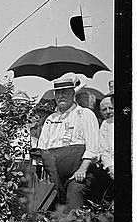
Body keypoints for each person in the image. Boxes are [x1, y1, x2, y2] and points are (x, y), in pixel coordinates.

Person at [37, 74, 101, 212]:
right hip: (54, 173)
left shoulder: (85, 114)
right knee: (47, 205)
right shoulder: (50, 119)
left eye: (64, 92)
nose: (61, 96)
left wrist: (82, 169)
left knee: (74, 194)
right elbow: (42, 147)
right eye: (58, 93)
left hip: (79, 171)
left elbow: (93, 148)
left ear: (73, 93)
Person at [99, 96, 114, 180]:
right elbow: (103, 150)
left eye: (111, 108)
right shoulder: (105, 124)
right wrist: (111, 167)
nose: (108, 112)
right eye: (104, 109)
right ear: (100, 112)